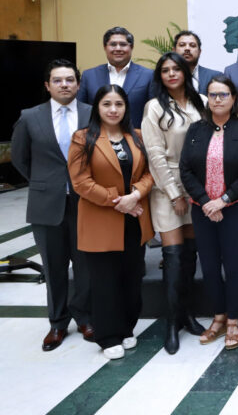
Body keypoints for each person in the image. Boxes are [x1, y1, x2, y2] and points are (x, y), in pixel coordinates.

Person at [11, 59, 93, 351]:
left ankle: (85, 318)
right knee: (53, 267)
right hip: (46, 204)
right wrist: (46, 182)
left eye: (70, 80)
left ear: (78, 85)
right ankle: (57, 323)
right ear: (47, 85)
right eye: (58, 80)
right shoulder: (29, 117)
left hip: (86, 203)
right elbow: (20, 158)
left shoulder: (92, 113)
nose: (64, 85)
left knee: (85, 265)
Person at [67, 85, 154, 360]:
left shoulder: (137, 136)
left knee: (131, 278)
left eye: (119, 104)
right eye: (107, 104)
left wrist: (136, 195)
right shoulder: (83, 138)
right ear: (97, 107)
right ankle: (107, 336)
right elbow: (80, 182)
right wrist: (118, 201)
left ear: (126, 107)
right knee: (105, 282)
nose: (113, 110)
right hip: (101, 219)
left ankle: (127, 328)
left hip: (134, 220)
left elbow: (150, 173)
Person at [180, 75, 238, 351]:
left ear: (233, 98)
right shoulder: (196, 130)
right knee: (210, 265)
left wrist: (223, 200)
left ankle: (234, 320)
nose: (217, 99)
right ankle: (218, 317)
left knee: (233, 264)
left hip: (236, 208)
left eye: (223, 94)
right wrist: (206, 202)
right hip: (202, 209)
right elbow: (185, 170)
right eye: (213, 94)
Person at [141, 52, 208, 354]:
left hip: (197, 188)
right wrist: (174, 194)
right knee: (174, 257)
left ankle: (187, 315)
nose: (171, 74)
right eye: (165, 70)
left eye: (176, 69)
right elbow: (154, 154)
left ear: (185, 72)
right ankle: (171, 322)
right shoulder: (155, 107)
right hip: (168, 189)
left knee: (190, 256)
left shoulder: (201, 102)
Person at [77, 26, 153, 128]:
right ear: (105, 47)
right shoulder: (89, 76)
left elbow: (153, 113)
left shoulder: (148, 75)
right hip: (97, 136)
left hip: (135, 136)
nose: (118, 48)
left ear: (131, 47)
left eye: (123, 44)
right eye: (113, 44)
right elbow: (81, 111)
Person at [149, 30, 222, 96]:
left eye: (192, 45)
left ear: (199, 52)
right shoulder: (160, 77)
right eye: (182, 45)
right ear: (174, 51)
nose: (187, 48)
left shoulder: (215, 76)